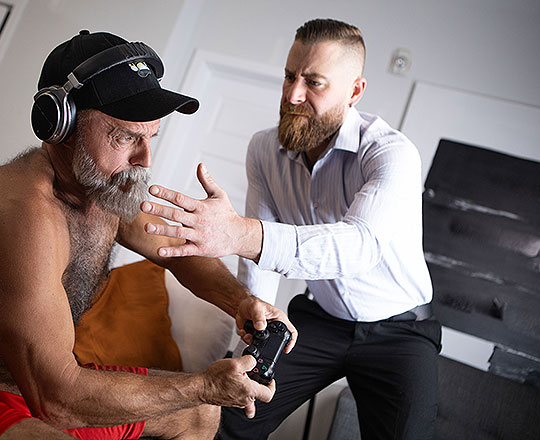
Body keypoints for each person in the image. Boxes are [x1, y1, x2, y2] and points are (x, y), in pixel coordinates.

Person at [0, 30, 297, 440]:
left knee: (199, 415)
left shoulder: (103, 188)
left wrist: (240, 301)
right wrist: (203, 385)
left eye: (150, 136)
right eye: (126, 136)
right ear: (60, 125)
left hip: (25, 386)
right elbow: (58, 400)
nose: (145, 159)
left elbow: (175, 247)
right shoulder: (22, 215)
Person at [140, 18, 442, 439]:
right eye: (288, 76)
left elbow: (360, 247)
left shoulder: (391, 154)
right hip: (320, 320)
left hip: (401, 330)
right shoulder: (264, 150)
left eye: (313, 83)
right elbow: (259, 266)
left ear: (354, 91)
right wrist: (252, 340)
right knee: (228, 417)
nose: (293, 95)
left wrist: (239, 233)